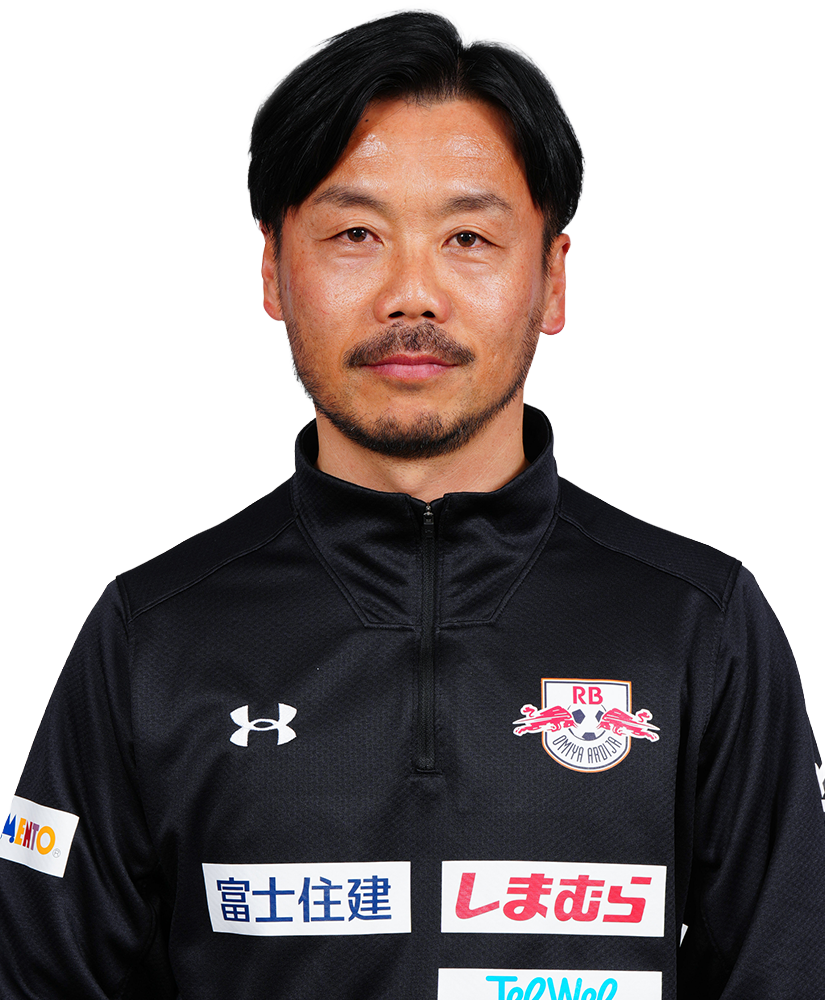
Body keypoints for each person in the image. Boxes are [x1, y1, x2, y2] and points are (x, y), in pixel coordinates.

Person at [1, 8, 823, 999]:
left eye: (469, 236)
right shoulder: (149, 635)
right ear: (272, 271)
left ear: (553, 280)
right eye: (355, 233)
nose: (411, 295)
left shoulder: (701, 625)